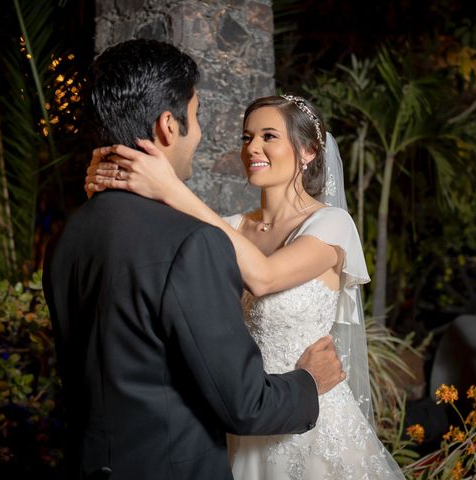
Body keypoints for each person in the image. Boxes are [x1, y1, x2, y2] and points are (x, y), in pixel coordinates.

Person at [43, 39, 347, 480]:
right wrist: (310, 382)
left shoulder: (71, 235)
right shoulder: (195, 244)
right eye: (198, 116)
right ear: (169, 125)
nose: (202, 134)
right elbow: (246, 406)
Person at [86, 94, 405, 478]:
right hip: (243, 414)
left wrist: (172, 188)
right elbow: (157, 240)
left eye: (269, 136)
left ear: (307, 151)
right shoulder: (230, 226)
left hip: (311, 419)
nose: (252, 147)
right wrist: (109, 183)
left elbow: (265, 276)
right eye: (246, 136)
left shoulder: (332, 224)